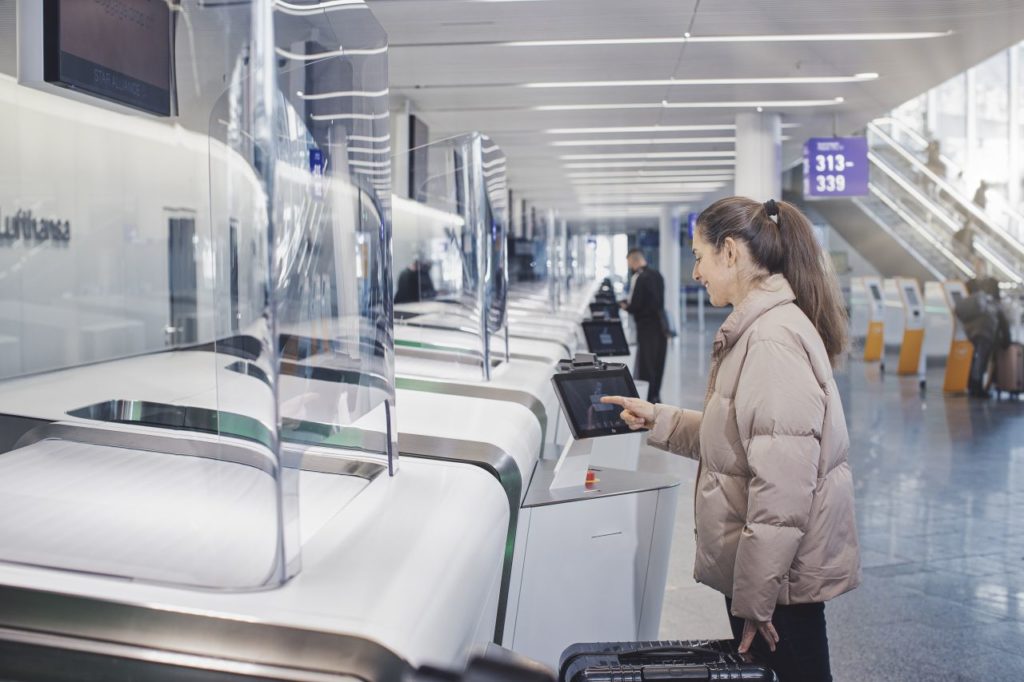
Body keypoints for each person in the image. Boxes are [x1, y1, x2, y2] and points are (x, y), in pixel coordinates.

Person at [603, 198, 860, 682]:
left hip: (777, 586)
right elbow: (742, 442)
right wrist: (656, 418)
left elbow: (782, 487)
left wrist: (757, 599)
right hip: (772, 575)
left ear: (730, 252)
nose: (696, 271)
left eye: (699, 256)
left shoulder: (769, 340)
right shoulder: (761, 329)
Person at [620, 248, 668, 403]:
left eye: (629, 264)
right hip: (661, 326)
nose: (629, 267)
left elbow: (636, 306)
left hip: (646, 328)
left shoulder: (639, 277)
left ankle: (647, 400)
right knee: (658, 362)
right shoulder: (658, 275)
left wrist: (624, 306)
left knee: (646, 364)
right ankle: (656, 395)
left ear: (634, 261)